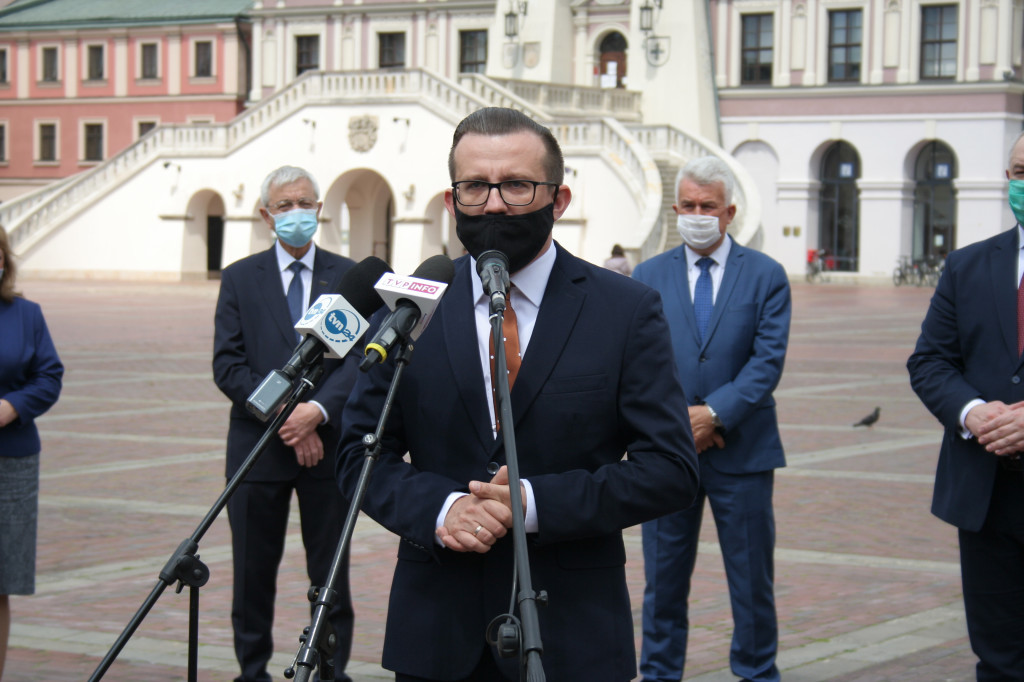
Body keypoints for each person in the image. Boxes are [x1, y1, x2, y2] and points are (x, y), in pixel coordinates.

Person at [336, 107, 700, 681]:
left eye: (517, 185)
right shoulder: (413, 309)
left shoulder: (624, 311)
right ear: (452, 200)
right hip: (437, 633)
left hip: (572, 635)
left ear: (558, 200)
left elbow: (671, 469)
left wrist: (533, 504)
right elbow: (359, 452)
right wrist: (440, 507)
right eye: (475, 186)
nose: (495, 203)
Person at [633, 157, 791, 682]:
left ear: (730, 212)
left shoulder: (765, 275)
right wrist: (679, 424)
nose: (698, 215)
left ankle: (755, 671)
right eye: (690, 206)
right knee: (663, 581)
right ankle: (658, 674)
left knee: (750, 580)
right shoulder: (648, 275)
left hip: (742, 453)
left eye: (709, 207)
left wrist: (714, 415)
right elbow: (639, 362)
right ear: (676, 208)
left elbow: (766, 361)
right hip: (667, 456)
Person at [213, 166, 356, 682]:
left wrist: (316, 413)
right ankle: (252, 671)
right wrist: (286, 416)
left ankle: (330, 670)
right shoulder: (239, 277)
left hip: (328, 447)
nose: (296, 212)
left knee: (330, 575)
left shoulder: (349, 275)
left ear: (319, 209)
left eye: (305, 202)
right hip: (258, 449)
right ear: (266, 214)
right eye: (285, 204)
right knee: (253, 573)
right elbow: (228, 365)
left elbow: (361, 360)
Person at [907, 130, 1024, 680]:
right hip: (987, 494)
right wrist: (971, 411)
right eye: (1019, 171)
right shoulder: (967, 266)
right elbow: (929, 361)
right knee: (998, 656)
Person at [0, 225, 63, 680]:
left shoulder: (26, 314)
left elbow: (48, 376)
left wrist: (11, 407)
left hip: (11, 460)